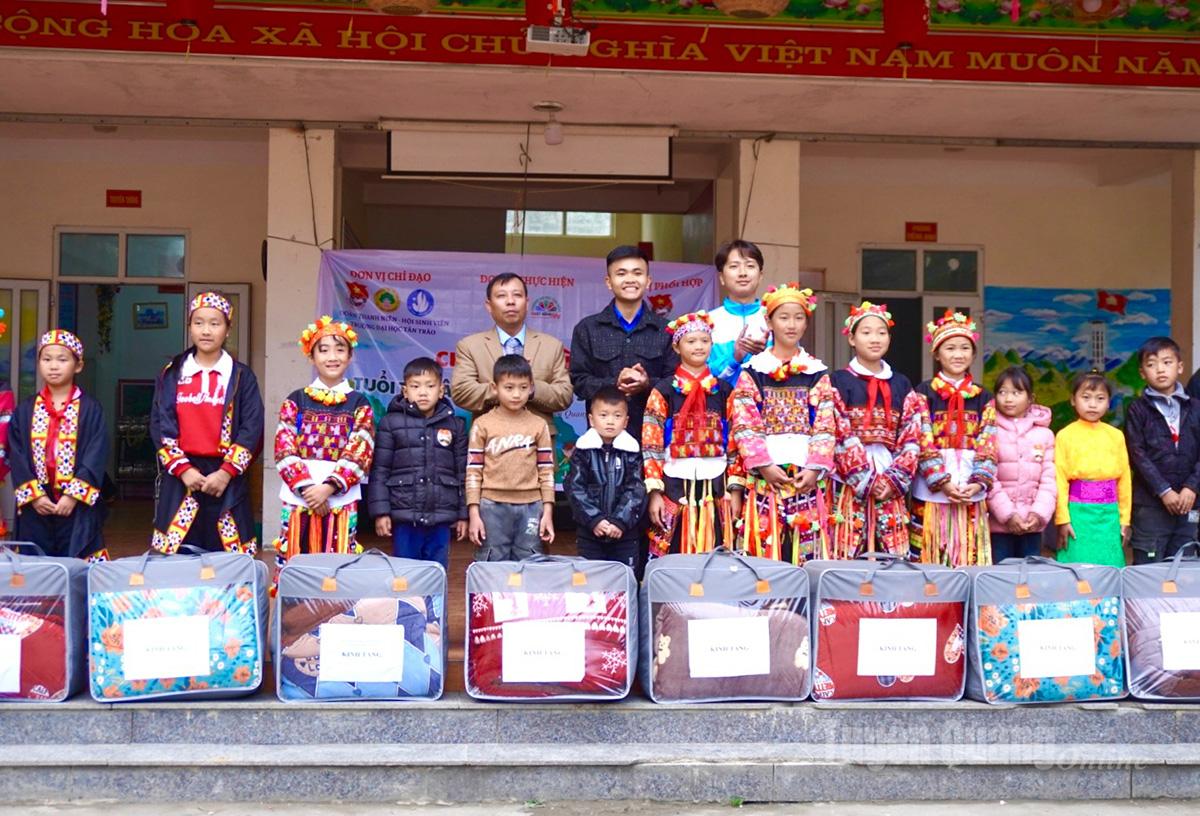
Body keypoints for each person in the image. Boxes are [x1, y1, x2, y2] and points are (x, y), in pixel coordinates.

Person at [728, 283, 836, 563]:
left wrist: (814, 468)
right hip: (766, 476)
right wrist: (764, 465)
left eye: (799, 318)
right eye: (784, 317)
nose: (791, 324)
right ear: (769, 321)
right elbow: (745, 423)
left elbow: (825, 424)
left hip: (805, 477)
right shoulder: (753, 372)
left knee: (808, 554)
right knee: (762, 552)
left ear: (806, 323)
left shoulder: (817, 372)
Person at [151, 292, 263, 553]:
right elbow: (159, 423)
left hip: (226, 477)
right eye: (198, 322)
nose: (206, 330)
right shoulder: (172, 373)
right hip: (181, 476)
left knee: (228, 558)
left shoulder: (241, 376)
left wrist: (225, 473)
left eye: (215, 323)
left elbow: (252, 427)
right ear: (189, 326)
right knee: (179, 556)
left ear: (228, 329)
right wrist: (183, 470)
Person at [273, 316, 375, 565]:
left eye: (340, 350)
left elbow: (360, 450)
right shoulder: (296, 400)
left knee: (337, 564)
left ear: (350, 356)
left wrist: (328, 488)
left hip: (340, 499)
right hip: (299, 498)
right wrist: (308, 489)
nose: (332, 357)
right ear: (311, 356)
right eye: (324, 350)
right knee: (295, 561)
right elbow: (284, 447)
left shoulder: (359, 403)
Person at [828, 302, 924, 559]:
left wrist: (893, 479)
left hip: (889, 480)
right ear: (852, 338)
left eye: (881, 333)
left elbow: (912, 434)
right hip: (849, 482)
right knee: (845, 555)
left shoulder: (901, 383)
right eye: (866, 332)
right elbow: (838, 431)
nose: (875, 339)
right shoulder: (838, 381)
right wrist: (865, 479)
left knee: (893, 559)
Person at [8, 330, 109, 560]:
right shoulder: (26, 410)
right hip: (37, 504)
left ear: (78, 366)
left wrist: (72, 495)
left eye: (62, 360)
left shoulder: (90, 409)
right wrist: (35, 496)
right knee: (36, 563)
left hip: (76, 504)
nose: (53, 366)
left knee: (78, 563)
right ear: (39, 364)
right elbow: (17, 454)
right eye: (47, 359)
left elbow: (96, 454)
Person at [643, 311, 737, 556]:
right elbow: (651, 443)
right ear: (676, 347)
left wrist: (735, 487)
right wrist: (655, 492)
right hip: (674, 482)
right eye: (691, 341)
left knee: (717, 549)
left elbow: (735, 441)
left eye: (704, 341)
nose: (699, 346)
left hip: (717, 482)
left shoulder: (724, 390)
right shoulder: (663, 390)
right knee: (673, 550)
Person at [911, 310, 997, 567]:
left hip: (970, 492)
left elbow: (988, 443)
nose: (958, 354)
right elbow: (922, 440)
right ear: (937, 354)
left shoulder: (983, 397)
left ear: (973, 353)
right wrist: (942, 482)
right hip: (932, 493)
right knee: (929, 558)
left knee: (969, 557)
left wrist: (978, 482)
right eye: (950, 348)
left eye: (964, 348)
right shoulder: (923, 392)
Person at [569, 245, 678, 439]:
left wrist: (647, 384)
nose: (630, 279)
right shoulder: (587, 329)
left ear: (648, 281)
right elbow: (579, 382)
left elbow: (676, 384)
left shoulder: (667, 330)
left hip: (653, 440)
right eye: (621, 273)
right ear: (608, 282)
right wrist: (614, 383)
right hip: (603, 443)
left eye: (637, 273)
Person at [369, 357, 467, 570]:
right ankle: (407, 595)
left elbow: (462, 473)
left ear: (441, 391)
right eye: (415, 386)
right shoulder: (390, 423)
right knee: (405, 573)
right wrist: (381, 513)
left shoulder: (455, 425)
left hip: (441, 515)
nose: (423, 392)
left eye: (430, 386)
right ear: (405, 391)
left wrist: (463, 515)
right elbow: (380, 471)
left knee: (436, 572)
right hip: (404, 515)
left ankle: (436, 595)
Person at [450, 272, 573, 441]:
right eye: (501, 296)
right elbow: (461, 392)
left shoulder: (551, 346)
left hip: (538, 443)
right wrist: (505, 388)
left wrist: (530, 388)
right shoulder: (470, 346)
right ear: (489, 305)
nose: (510, 301)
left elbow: (564, 396)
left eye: (517, 295)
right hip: (489, 441)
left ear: (527, 303)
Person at [465, 354, 555, 561]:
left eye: (523, 387)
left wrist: (548, 511)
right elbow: (473, 471)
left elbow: (546, 470)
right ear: (494, 388)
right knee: (492, 563)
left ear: (531, 388)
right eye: (509, 387)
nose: (516, 394)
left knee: (531, 562)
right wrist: (474, 513)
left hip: (532, 506)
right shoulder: (482, 425)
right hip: (491, 506)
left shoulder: (538, 425)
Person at [1125, 337, 1200, 564]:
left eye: (1167, 362)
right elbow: (1136, 453)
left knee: (1184, 563)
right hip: (1150, 505)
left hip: (1190, 502)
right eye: (1151, 364)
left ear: (1180, 367)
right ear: (1142, 373)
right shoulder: (1137, 409)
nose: (1160, 369)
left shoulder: (1196, 407)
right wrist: (1164, 490)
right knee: (1149, 567)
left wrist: (1192, 487)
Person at [563, 386, 645, 570]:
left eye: (617, 416)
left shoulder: (632, 452)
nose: (610, 421)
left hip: (625, 534)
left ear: (626, 421)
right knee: (591, 579)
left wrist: (620, 522)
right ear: (591, 420)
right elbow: (575, 488)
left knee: (624, 579)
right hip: (590, 532)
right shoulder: (582, 451)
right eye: (603, 415)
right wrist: (595, 520)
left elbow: (636, 489)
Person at [1055, 371, 1131, 567]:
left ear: (1108, 403)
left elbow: (1124, 480)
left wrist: (1125, 519)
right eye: (1086, 397)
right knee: (1077, 567)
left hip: (1109, 514)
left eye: (1100, 398)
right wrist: (1063, 520)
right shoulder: (1064, 435)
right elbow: (1059, 481)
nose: (1093, 404)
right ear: (1073, 400)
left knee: (1109, 565)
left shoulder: (1116, 436)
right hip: (1077, 514)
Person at [987, 366, 1056, 562]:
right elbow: (988, 477)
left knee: (1030, 573)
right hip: (999, 525)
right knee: (1000, 574)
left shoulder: (1045, 434)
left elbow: (1049, 479)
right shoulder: (989, 430)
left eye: (1016, 393)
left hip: (1032, 524)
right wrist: (1007, 515)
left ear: (1030, 398)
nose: (1008, 399)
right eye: (1002, 392)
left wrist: (1038, 514)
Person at [708, 240, 770, 387]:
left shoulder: (776, 318)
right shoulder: (706, 322)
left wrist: (768, 353)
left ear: (760, 276)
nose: (743, 273)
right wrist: (734, 358)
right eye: (734, 266)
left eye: (750, 266)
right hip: (722, 400)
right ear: (721, 277)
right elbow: (700, 378)